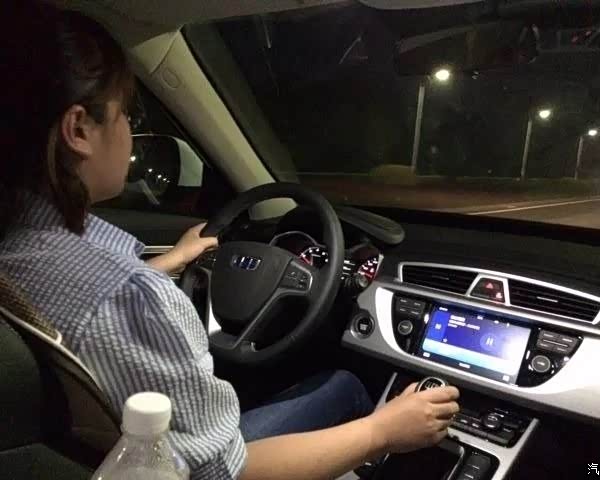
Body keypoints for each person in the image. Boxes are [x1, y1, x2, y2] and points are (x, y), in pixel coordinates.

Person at [0, 2, 459, 479]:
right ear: (78, 130)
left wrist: (171, 260)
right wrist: (383, 432)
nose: (131, 132)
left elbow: (84, 304)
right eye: (124, 115)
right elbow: (228, 474)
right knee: (345, 386)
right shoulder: (133, 298)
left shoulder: (19, 251)